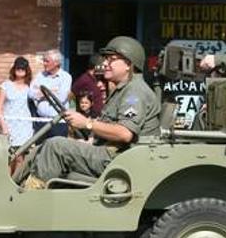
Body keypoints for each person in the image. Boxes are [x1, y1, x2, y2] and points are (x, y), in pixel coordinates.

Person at [18, 36, 161, 189]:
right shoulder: (123, 89)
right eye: (105, 59)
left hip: (120, 159)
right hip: (112, 153)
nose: (104, 63)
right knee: (42, 147)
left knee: (56, 146)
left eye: (111, 59)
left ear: (128, 64)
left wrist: (86, 123)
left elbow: (124, 133)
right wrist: (88, 142)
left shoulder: (135, 91)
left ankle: (29, 197)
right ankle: (15, 185)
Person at [29, 49, 72, 138]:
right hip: (41, 121)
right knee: (40, 150)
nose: (44, 63)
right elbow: (30, 94)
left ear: (56, 62)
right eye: (44, 60)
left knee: (58, 150)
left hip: (58, 122)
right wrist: (52, 91)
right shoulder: (40, 76)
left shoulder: (65, 77)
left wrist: (42, 92)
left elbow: (61, 98)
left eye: (47, 61)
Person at [0, 56, 34, 152]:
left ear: (27, 70)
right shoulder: (5, 86)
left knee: (21, 156)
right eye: (18, 67)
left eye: (23, 68)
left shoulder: (30, 87)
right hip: (9, 125)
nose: (20, 70)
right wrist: (3, 125)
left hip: (25, 126)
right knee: (8, 156)